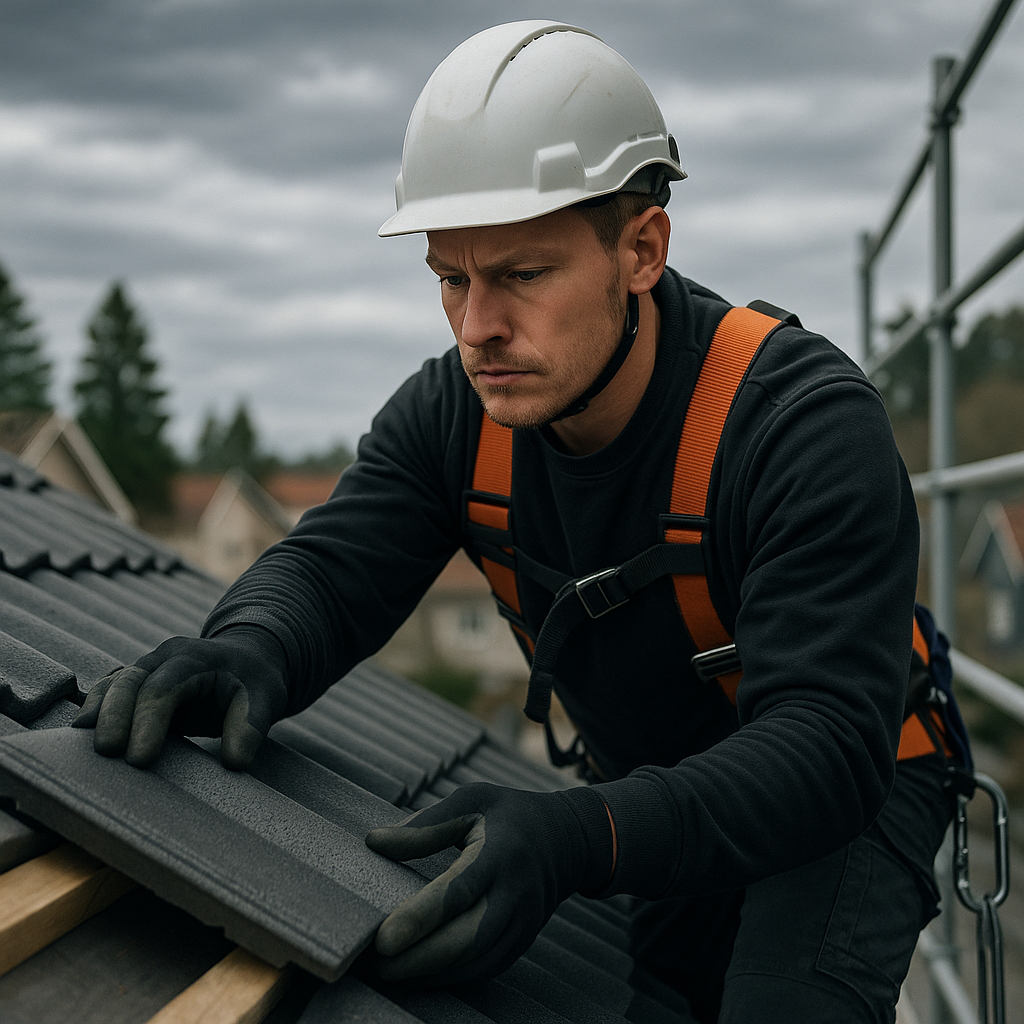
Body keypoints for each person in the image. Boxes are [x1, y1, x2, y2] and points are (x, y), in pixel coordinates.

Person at [74, 21, 960, 1022]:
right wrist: (247, 648)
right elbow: (329, 569)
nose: (474, 327)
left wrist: (580, 835)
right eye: (450, 278)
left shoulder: (797, 425)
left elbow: (822, 749)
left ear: (641, 248)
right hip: (658, 794)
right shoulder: (458, 414)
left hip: (837, 792)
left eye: (521, 276)